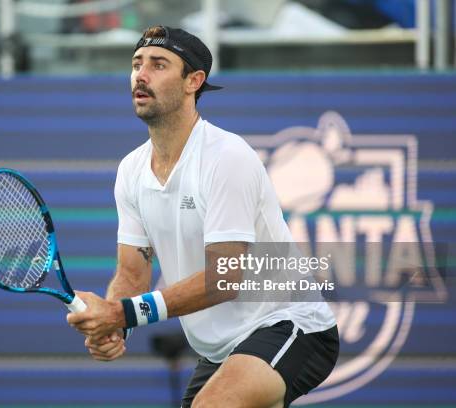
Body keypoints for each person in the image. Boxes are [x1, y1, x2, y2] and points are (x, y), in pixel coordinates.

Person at [67, 25, 339, 408]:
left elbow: (225, 278)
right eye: (136, 64)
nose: (141, 75)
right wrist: (118, 324)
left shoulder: (226, 156)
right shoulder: (131, 170)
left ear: (194, 81)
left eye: (159, 65)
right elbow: (132, 273)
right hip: (219, 348)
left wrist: (120, 311)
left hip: (290, 323)